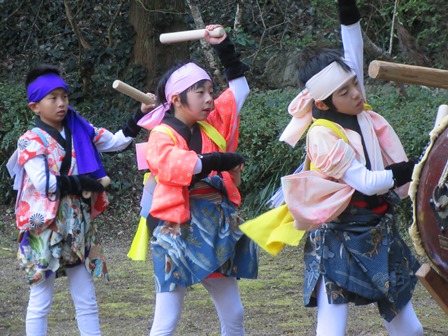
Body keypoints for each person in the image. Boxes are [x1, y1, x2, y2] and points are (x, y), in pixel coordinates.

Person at [277, 1, 423, 335]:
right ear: (323, 102)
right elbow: (369, 183)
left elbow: (351, 45)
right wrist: (414, 169)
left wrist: (347, 5)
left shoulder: (356, 108)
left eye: (355, 83)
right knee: (331, 330)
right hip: (338, 237)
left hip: (379, 227)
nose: (357, 93)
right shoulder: (321, 136)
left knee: (410, 330)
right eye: (346, 91)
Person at [7, 64, 156, 336]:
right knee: (41, 300)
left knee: (86, 298)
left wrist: (140, 115)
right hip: (44, 227)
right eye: (52, 98)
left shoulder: (79, 128)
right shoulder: (29, 140)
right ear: (34, 107)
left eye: (64, 96)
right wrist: (82, 183)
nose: (61, 103)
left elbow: (116, 141)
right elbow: (44, 183)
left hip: (78, 223)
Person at [136, 24, 258, 336]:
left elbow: (239, 92)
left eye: (210, 91)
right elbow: (171, 165)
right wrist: (216, 161)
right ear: (177, 99)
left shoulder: (211, 122)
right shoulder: (162, 134)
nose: (209, 99)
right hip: (176, 231)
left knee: (234, 312)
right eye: (199, 92)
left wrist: (225, 49)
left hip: (214, 227)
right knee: (166, 319)